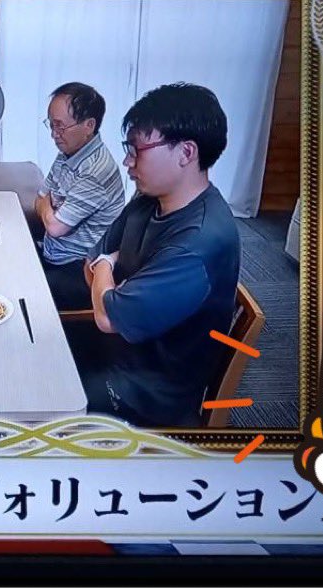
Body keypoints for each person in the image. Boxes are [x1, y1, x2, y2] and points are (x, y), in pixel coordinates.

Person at [79, 82, 241, 427]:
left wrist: (107, 266)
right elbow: (90, 261)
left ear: (186, 153)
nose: (127, 161)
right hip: (113, 352)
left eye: (137, 149)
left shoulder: (198, 243)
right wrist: (106, 272)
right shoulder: (148, 198)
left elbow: (107, 316)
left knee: (31, 401)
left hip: (144, 397)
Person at [35, 82, 126, 310]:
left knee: (20, 289)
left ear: (89, 125)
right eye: (51, 125)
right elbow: (39, 199)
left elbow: (55, 227)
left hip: (80, 267)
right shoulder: (68, 153)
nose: (54, 134)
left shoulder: (96, 170)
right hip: (54, 252)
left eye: (60, 126)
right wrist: (49, 210)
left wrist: (48, 208)